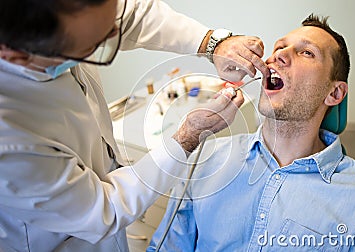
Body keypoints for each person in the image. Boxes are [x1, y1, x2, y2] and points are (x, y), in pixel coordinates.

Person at [0, 0, 269, 251]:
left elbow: (133, 15)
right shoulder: (10, 137)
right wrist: (188, 136)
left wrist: (213, 44)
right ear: (16, 55)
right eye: (94, 46)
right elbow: (104, 209)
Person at [148, 14, 355, 251]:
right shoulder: (205, 163)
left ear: (334, 94)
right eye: (279, 47)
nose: (277, 56)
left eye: (307, 53)